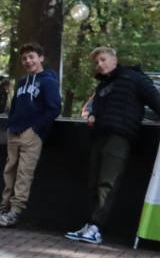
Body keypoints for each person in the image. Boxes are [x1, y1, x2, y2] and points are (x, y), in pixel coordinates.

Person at [66, 47, 160, 244]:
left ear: (114, 60)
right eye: (97, 62)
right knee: (93, 182)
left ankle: (96, 227)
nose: (99, 65)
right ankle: (90, 224)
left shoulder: (134, 78)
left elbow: (155, 99)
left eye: (103, 60)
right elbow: (94, 108)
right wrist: (92, 115)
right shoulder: (102, 87)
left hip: (121, 135)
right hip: (100, 134)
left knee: (107, 182)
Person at [0, 42, 62, 227]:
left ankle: (15, 212)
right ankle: (3, 208)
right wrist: (10, 125)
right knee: (9, 171)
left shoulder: (48, 81)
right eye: (25, 58)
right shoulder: (22, 82)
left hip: (31, 135)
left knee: (24, 173)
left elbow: (54, 108)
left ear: (41, 58)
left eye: (32, 57)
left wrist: (35, 130)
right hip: (14, 132)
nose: (28, 61)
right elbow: (14, 106)